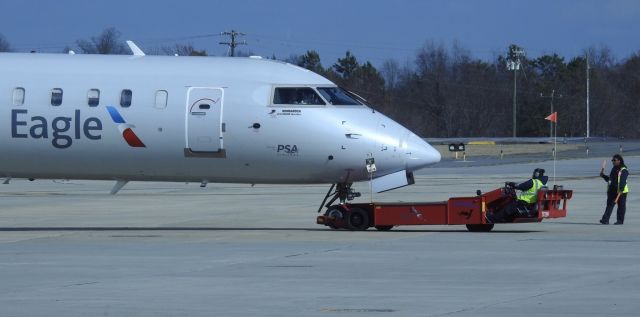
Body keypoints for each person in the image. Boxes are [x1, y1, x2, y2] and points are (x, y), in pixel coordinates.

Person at [599, 154, 629, 225]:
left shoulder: (623, 170)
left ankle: (620, 221)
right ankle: (605, 220)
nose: (613, 161)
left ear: (619, 161)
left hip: (621, 191)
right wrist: (603, 176)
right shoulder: (614, 169)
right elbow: (610, 180)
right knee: (609, 205)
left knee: (621, 206)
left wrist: (620, 190)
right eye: (612, 160)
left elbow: (623, 180)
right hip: (612, 190)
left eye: (614, 160)